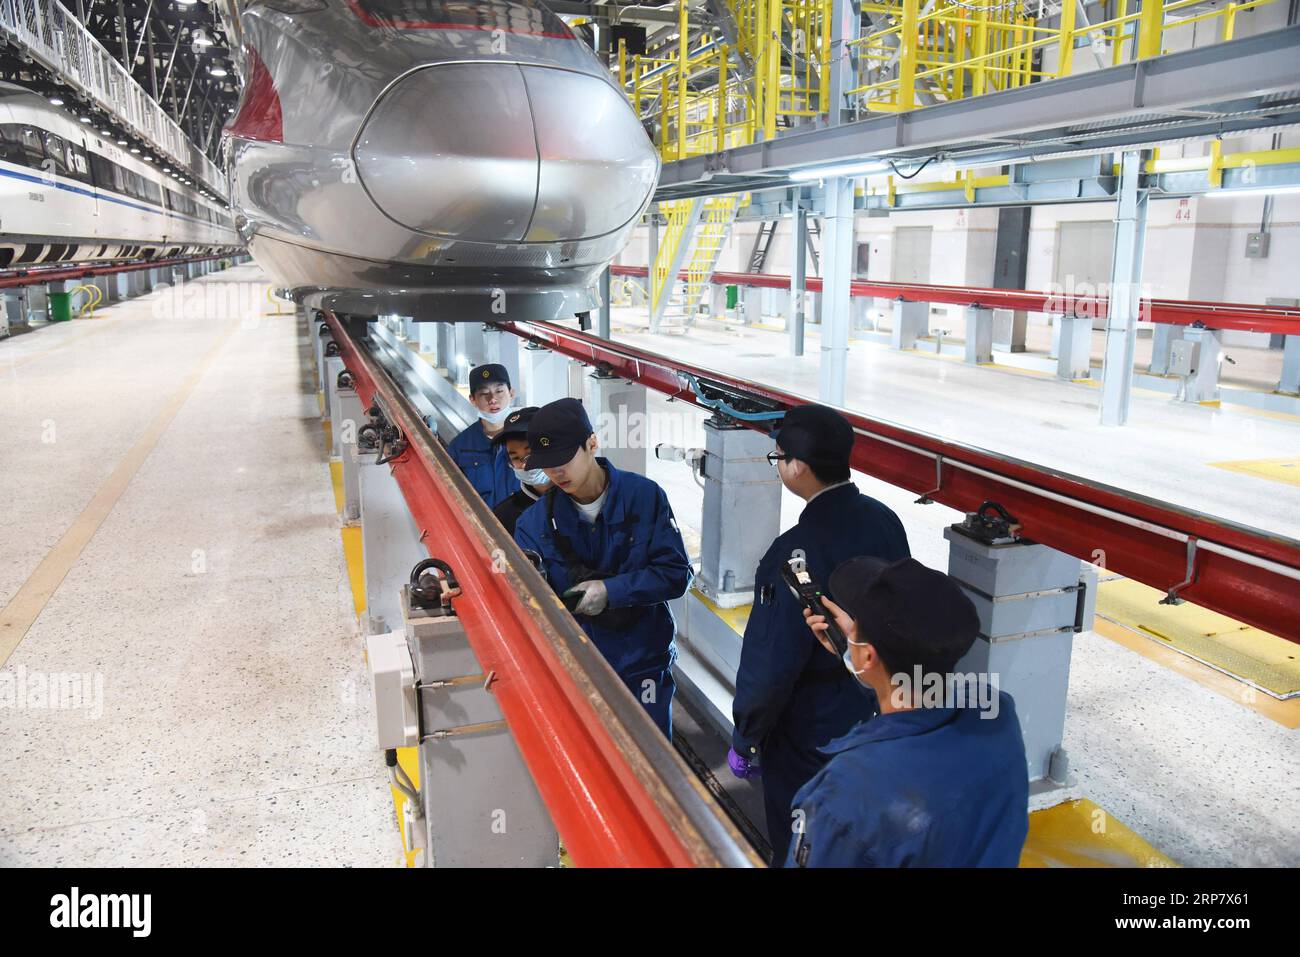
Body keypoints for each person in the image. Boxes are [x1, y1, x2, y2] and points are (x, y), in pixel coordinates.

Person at [728, 403, 910, 866]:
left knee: (804, 844)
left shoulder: (791, 555)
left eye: (778, 458)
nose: (779, 467)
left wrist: (746, 735)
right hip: (876, 715)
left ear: (798, 467)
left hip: (811, 735)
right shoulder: (887, 520)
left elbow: (771, 663)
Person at [790, 556, 1029, 867]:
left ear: (870, 655)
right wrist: (857, 655)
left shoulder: (848, 793)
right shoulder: (997, 714)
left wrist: (861, 658)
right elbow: (915, 698)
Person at [514, 398, 691, 738]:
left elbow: (676, 574)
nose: (555, 472)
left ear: (592, 443)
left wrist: (611, 591)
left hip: (643, 665)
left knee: (652, 755)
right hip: (577, 670)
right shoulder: (533, 525)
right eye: (547, 464)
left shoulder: (645, 497)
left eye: (563, 459)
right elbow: (530, 603)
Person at [447, 363, 520, 508]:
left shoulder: (527, 437)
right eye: (484, 393)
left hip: (523, 527)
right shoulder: (460, 447)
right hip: (481, 527)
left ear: (511, 393)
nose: (492, 399)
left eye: (499, 391)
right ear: (472, 399)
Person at [490, 406, 552, 535]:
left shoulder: (578, 498)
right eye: (516, 457)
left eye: (530, 454)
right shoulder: (503, 516)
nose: (525, 464)